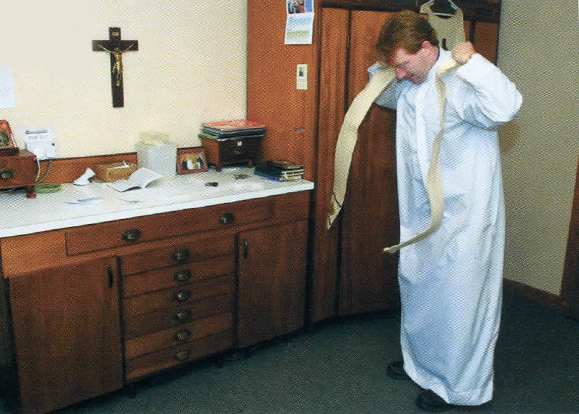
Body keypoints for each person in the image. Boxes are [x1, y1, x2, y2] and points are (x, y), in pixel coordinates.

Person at [370, 10, 522, 412]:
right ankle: (421, 366)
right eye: (394, 68)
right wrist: (390, 68)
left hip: (466, 217)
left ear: (426, 48)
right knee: (420, 290)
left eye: (402, 65)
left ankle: (459, 388)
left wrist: (472, 62)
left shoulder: (462, 80)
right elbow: (383, 91)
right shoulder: (409, 84)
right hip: (422, 215)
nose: (399, 75)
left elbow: (507, 108)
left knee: (460, 303)